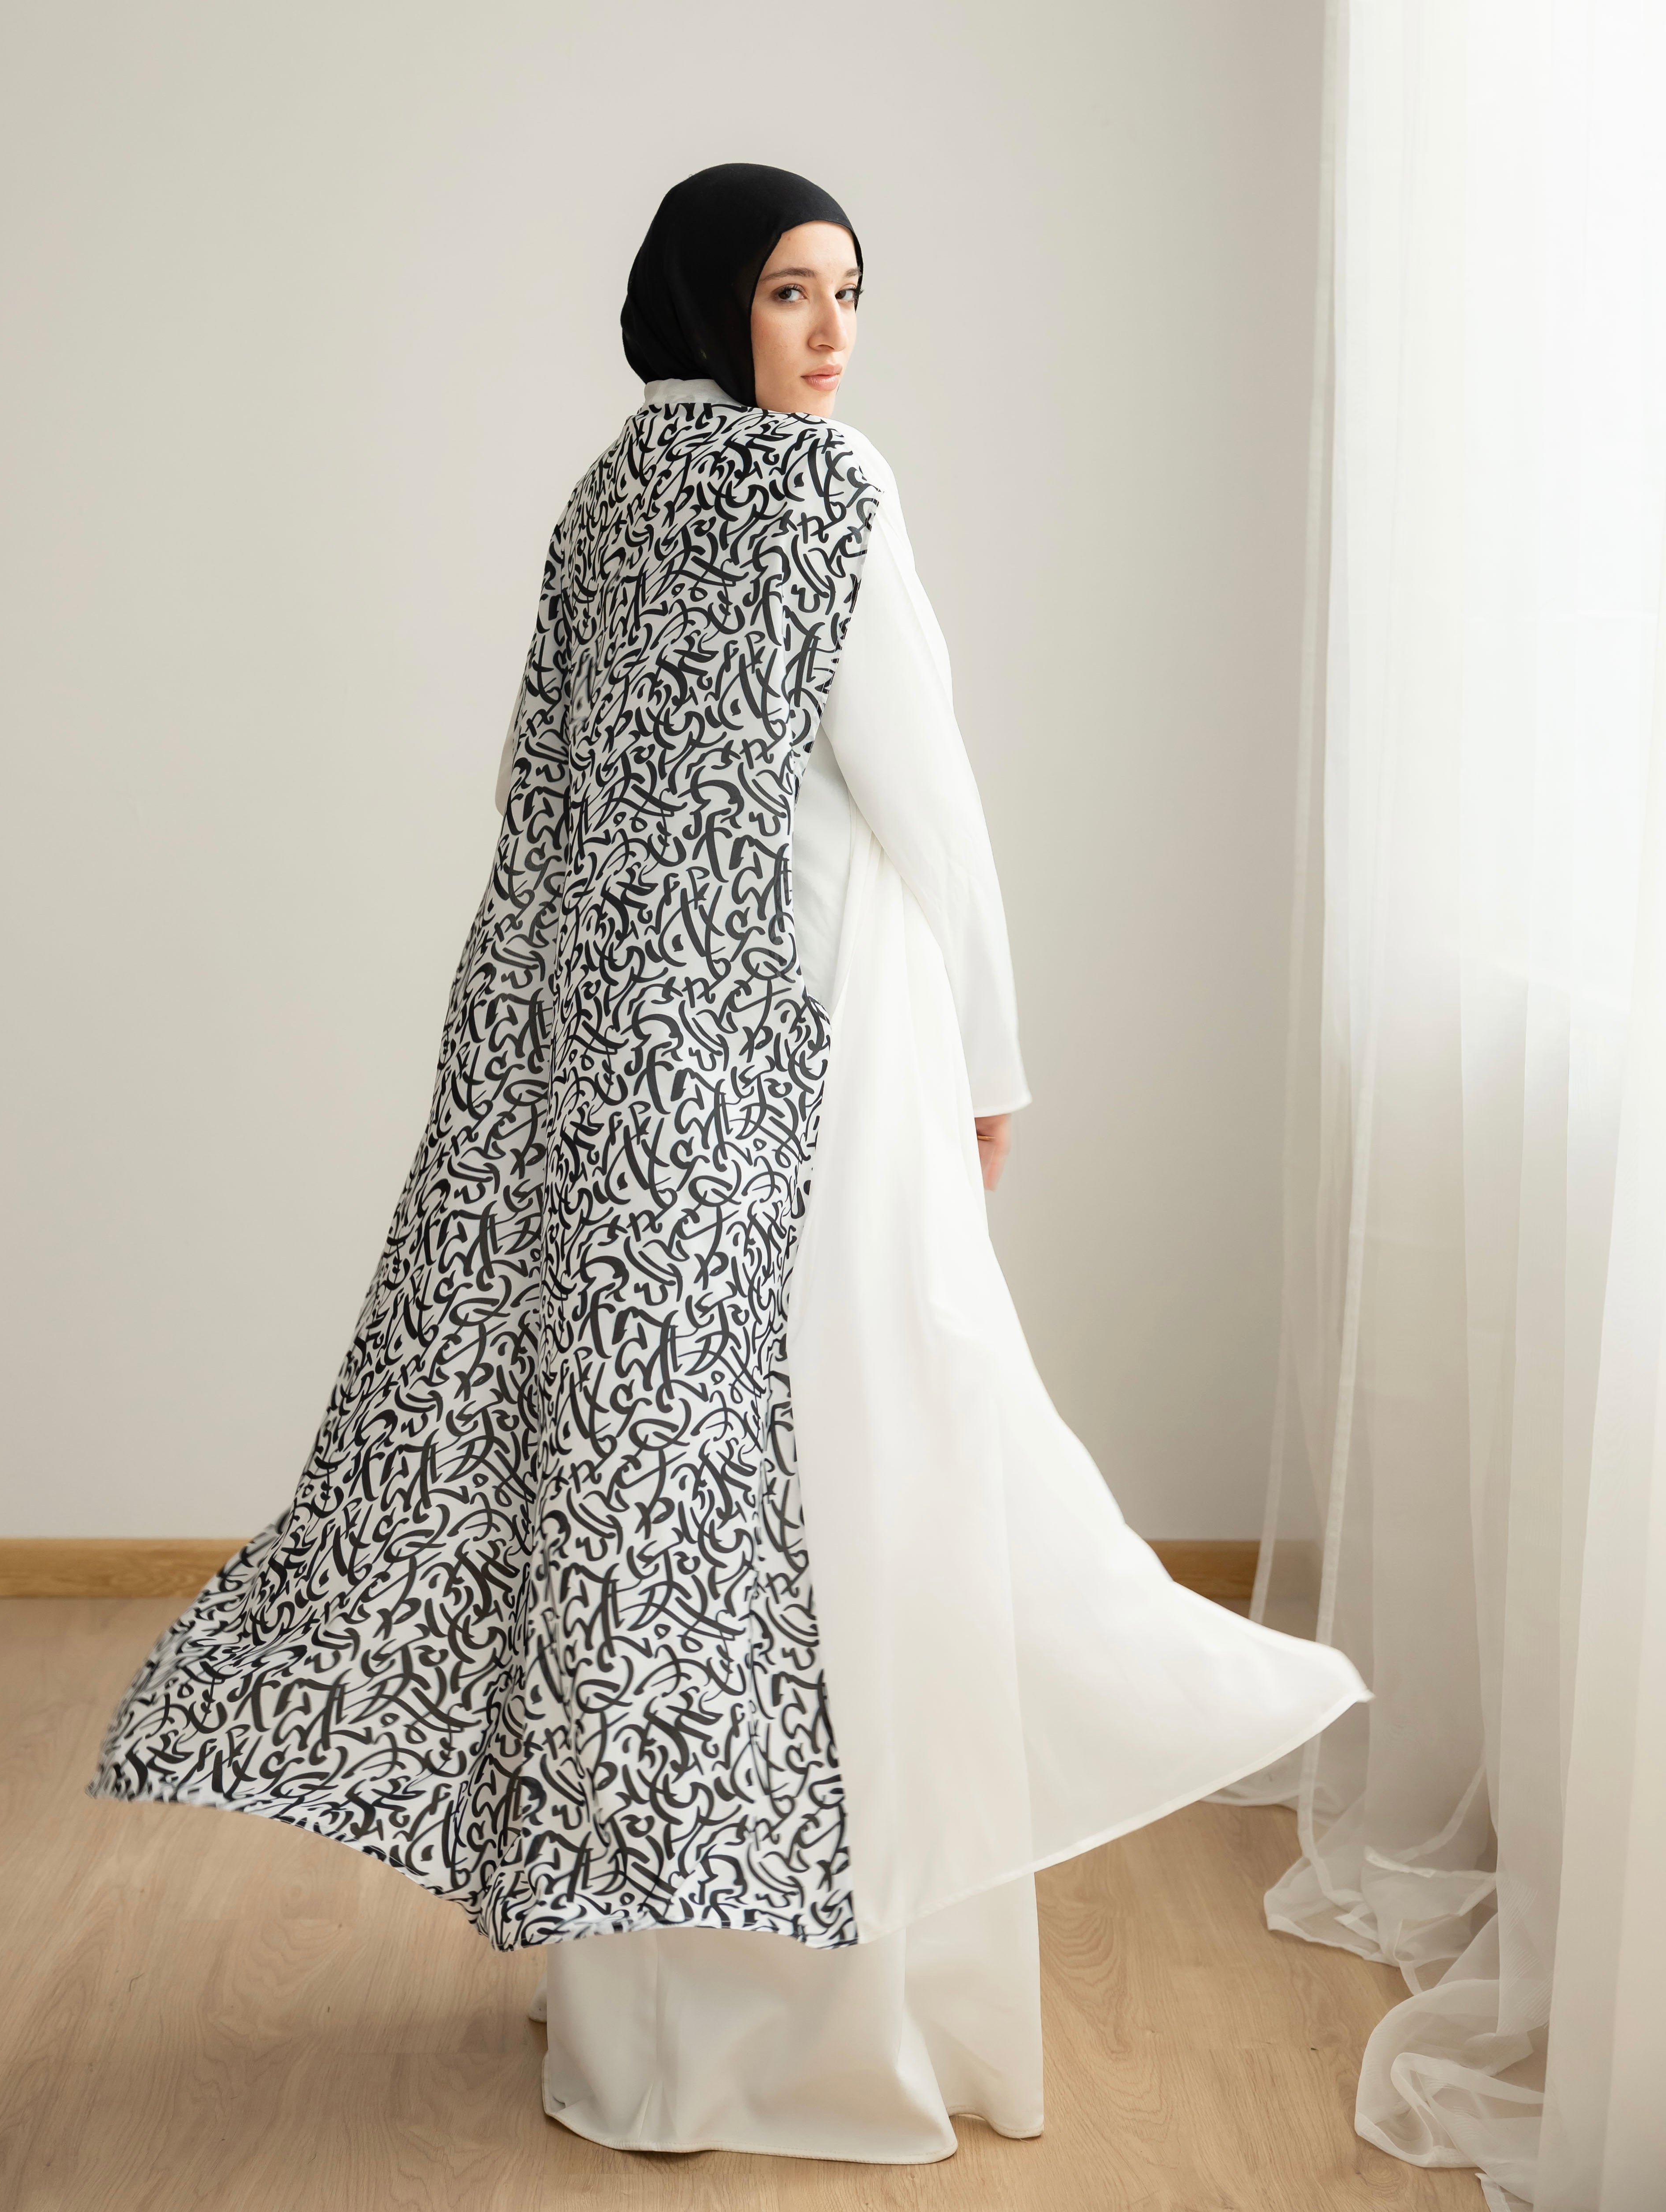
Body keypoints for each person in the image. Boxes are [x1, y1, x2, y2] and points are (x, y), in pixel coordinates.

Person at [90, 163, 1368, 2166]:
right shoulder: (831, 490)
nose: (832, 332)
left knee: (648, 1499)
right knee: (849, 1473)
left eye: (849, 290)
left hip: (619, 1069)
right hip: (819, 1036)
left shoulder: (605, 496)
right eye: (788, 293)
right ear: (712, 303)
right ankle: (842, 2023)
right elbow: (929, 804)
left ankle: (654, 2027)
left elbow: (533, 796)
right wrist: (993, 1060)